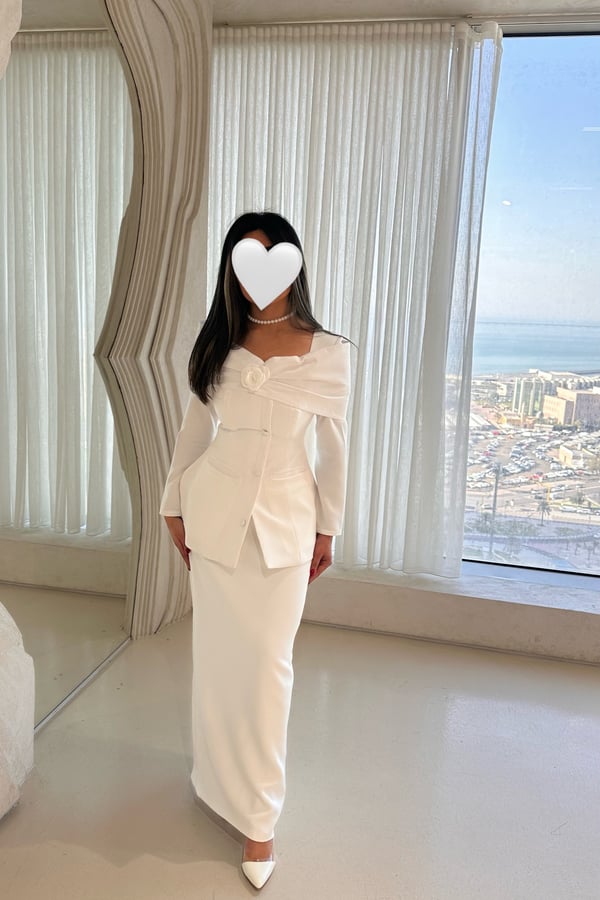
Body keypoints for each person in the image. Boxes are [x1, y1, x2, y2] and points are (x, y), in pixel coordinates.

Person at [159, 211, 351, 889]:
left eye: (269, 259)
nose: (255, 277)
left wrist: (328, 527)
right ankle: (215, 782)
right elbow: (193, 432)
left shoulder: (329, 351)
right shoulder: (216, 342)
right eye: (243, 261)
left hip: (286, 524)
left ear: (294, 265)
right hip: (213, 517)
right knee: (217, 662)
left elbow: (333, 448)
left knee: (269, 668)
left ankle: (260, 819)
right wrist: (172, 504)